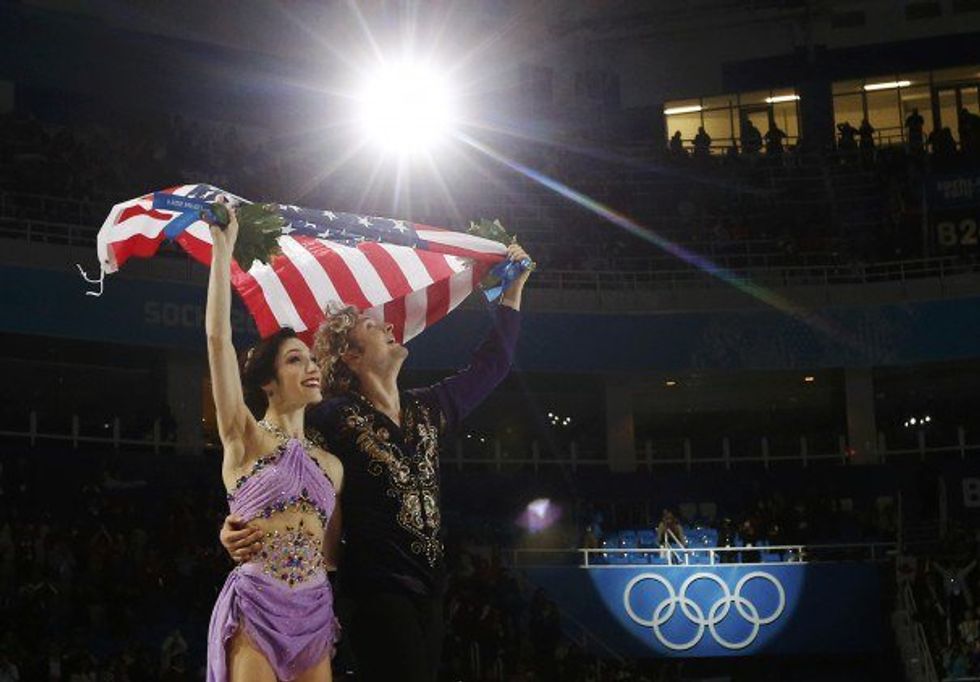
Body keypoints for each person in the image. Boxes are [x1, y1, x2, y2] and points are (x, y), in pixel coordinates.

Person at [220, 242, 534, 681]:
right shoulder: (329, 414)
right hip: (373, 589)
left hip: (431, 585)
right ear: (350, 355)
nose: (389, 326)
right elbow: (272, 462)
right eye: (372, 324)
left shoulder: (429, 407)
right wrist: (234, 522)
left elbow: (494, 364)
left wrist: (512, 290)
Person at [205, 200, 344, 682]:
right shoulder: (244, 436)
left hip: (314, 610)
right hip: (258, 604)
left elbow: (333, 553)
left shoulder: (333, 465)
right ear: (268, 381)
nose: (311, 367)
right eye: (294, 360)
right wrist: (222, 249)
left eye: (312, 359)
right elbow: (218, 341)